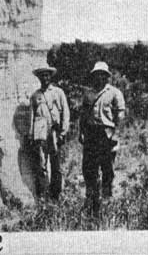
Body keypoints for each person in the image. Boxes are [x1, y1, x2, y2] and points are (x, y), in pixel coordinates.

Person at [79, 61, 126, 214]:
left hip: (106, 133)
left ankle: (107, 197)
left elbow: (120, 113)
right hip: (91, 133)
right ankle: (91, 196)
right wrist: (81, 132)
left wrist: (115, 133)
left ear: (106, 76)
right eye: (97, 75)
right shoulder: (88, 94)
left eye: (102, 75)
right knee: (88, 167)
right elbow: (84, 115)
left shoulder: (114, 92)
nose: (99, 77)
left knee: (107, 168)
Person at [28, 65, 70, 201]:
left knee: (56, 164)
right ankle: (43, 195)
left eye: (47, 75)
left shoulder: (58, 92)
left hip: (54, 133)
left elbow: (66, 113)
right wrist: (30, 135)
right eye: (42, 76)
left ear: (50, 77)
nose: (45, 78)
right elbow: (32, 117)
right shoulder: (35, 96)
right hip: (40, 134)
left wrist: (63, 132)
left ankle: (56, 194)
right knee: (41, 165)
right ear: (39, 78)